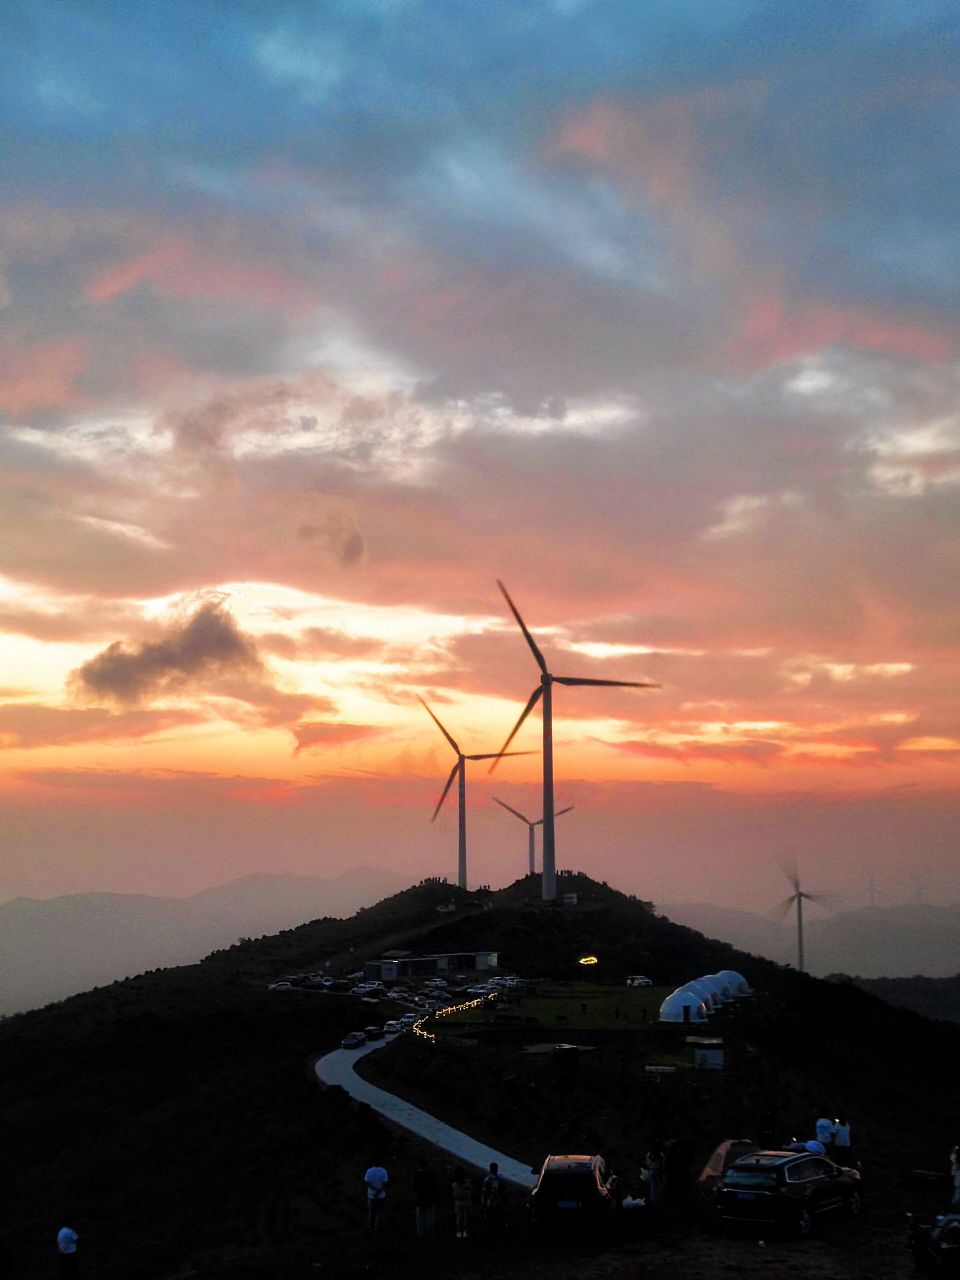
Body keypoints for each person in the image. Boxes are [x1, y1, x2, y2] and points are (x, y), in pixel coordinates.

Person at [413, 1159, 436, 1239]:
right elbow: (434, 1187)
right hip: (429, 1199)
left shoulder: (417, 1175)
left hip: (420, 1199)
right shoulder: (431, 1174)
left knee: (420, 1220)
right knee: (429, 1218)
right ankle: (429, 1234)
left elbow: (415, 1188)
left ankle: (421, 1235)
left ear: (419, 1166)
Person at [480, 1161, 506, 1230]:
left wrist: (483, 1203)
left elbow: (483, 1192)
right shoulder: (502, 1180)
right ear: (497, 1169)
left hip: (490, 1202)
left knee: (489, 1219)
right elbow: (504, 1192)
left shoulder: (487, 1179)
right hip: (498, 1202)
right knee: (498, 1219)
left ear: (490, 1169)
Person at [364, 1161, 388, 1232]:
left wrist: (374, 1190)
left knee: (371, 1212)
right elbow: (385, 1183)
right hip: (381, 1196)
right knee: (379, 1213)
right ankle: (377, 1229)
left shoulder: (369, 1171)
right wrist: (379, 1191)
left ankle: (370, 1228)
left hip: (371, 1195)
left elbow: (367, 1183)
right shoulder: (383, 1171)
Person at [451, 1166, 472, 1238]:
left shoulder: (454, 1184)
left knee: (459, 1218)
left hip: (458, 1202)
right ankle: (465, 1232)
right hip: (466, 1201)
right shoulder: (467, 1182)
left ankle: (459, 1232)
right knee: (466, 1218)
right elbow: (470, 1190)